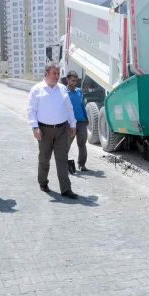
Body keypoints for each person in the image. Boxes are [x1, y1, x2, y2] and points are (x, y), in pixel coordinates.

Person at [27, 62, 78, 198]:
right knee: (44, 158)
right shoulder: (37, 89)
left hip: (62, 129)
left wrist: (73, 124)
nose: (57, 76)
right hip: (44, 130)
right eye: (54, 73)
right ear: (46, 74)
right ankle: (43, 182)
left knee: (62, 158)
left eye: (58, 73)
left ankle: (66, 189)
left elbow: (69, 108)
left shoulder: (62, 89)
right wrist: (35, 127)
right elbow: (31, 110)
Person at [65, 70, 89, 172]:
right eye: (72, 80)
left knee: (82, 144)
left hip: (81, 122)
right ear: (68, 80)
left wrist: (86, 117)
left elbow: (82, 105)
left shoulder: (79, 91)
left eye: (76, 80)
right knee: (66, 144)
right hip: (70, 123)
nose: (74, 82)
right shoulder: (64, 92)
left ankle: (82, 164)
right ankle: (63, 164)